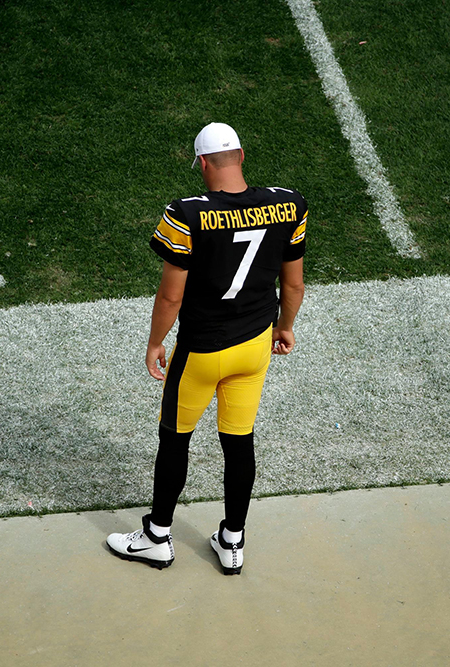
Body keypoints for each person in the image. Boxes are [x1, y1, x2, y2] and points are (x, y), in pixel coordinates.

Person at [106, 122, 307, 575]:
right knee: (239, 441)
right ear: (241, 155)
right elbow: (292, 283)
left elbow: (171, 297)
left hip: (201, 350)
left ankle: (157, 537)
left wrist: (156, 341)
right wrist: (286, 327)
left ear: (201, 163)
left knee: (174, 438)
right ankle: (232, 540)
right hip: (254, 345)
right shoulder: (287, 203)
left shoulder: (186, 213)